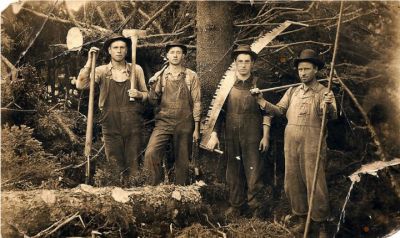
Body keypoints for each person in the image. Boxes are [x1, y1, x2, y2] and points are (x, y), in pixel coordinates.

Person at [251, 49, 337, 237]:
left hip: (312, 142)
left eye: (307, 69)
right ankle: (301, 217)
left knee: (315, 182)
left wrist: (328, 105)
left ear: (316, 70)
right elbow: (279, 111)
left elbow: (331, 116)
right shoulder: (292, 91)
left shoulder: (325, 92)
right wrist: (261, 100)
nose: (303, 73)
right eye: (300, 69)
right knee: (293, 181)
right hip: (291, 142)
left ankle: (320, 223)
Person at [205, 44, 271, 218]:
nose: (243, 65)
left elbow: (268, 112)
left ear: (252, 64)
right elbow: (219, 112)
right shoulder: (227, 86)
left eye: (247, 61)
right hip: (232, 134)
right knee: (233, 171)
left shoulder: (259, 83)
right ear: (234, 63)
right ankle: (236, 206)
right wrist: (214, 134)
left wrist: (266, 136)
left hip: (253, 134)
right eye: (240, 61)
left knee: (253, 171)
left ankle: (255, 208)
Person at [76, 34, 148, 180]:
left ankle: (134, 195)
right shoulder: (101, 71)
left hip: (132, 123)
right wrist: (89, 61)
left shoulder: (136, 70)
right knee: (114, 164)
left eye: (122, 48)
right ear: (109, 50)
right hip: (110, 122)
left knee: (133, 163)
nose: (119, 51)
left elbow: (148, 95)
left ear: (127, 51)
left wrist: (139, 94)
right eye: (115, 48)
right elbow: (81, 85)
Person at [144, 40, 201, 185]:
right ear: (167, 56)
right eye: (172, 52)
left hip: (185, 123)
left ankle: (181, 194)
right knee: (151, 153)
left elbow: (197, 102)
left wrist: (197, 128)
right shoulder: (160, 76)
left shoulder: (191, 76)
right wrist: (152, 87)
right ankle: (155, 190)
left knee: (182, 162)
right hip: (164, 122)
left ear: (183, 56)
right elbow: (153, 101)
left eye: (178, 52)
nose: (175, 55)